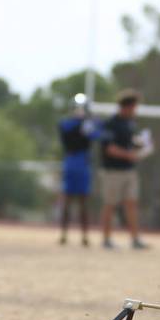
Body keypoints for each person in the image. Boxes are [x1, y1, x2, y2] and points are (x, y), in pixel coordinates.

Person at [99, 89, 150, 250]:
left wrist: (141, 146)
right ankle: (106, 239)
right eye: (134, 107)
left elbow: (131, 143)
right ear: (126, 107)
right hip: (113, 171)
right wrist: (128, 154)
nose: (135, 111)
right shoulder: (111, 123)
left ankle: (135, 239)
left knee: (132, 204)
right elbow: (109, 148)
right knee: (110, 204)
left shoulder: (131, 124)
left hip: (129, 171)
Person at [57, 93, 98, 246]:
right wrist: (81, 124)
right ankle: (63, 234)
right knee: (67, 200)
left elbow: (97, 134)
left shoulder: (91, 124)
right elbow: (65, 130)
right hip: (71, 162)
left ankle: (85, 236)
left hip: (83, 163)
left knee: (83, 202)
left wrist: (90, 123)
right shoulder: (67, 124)